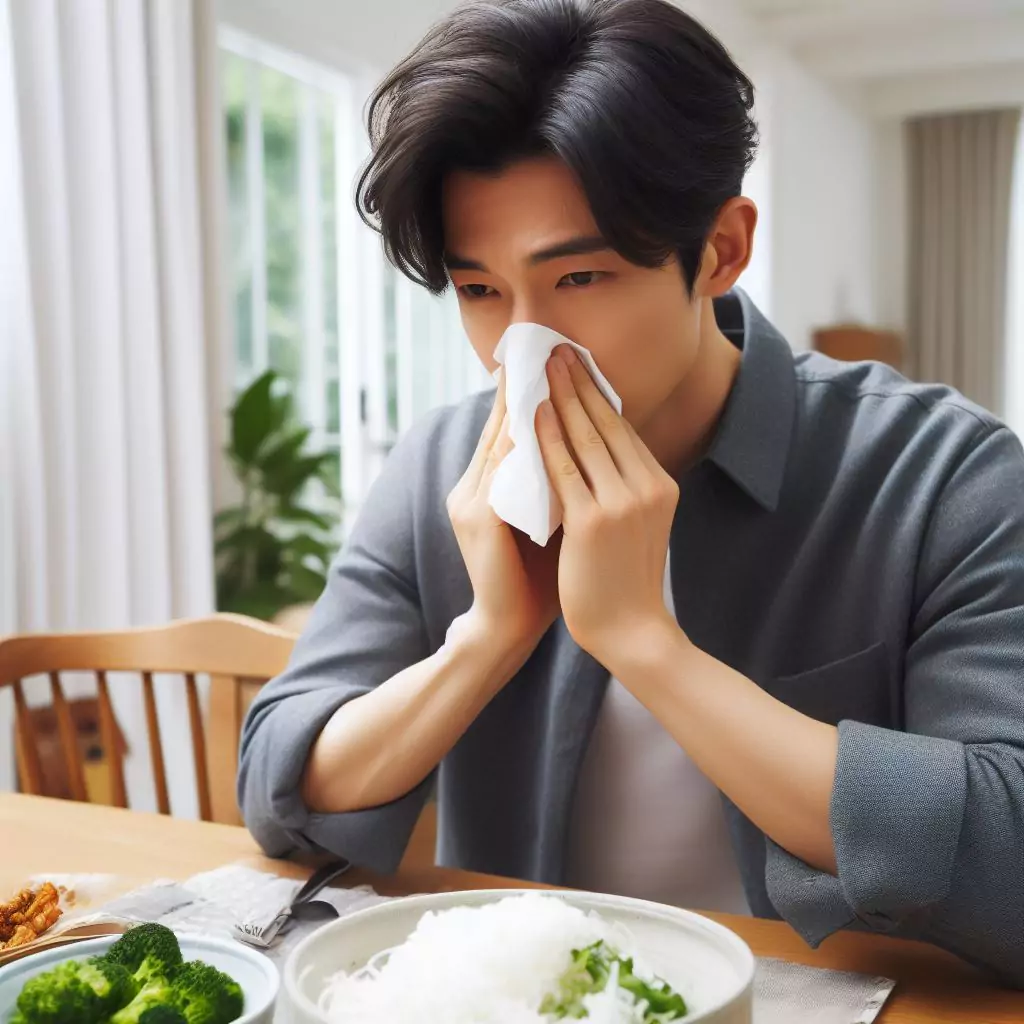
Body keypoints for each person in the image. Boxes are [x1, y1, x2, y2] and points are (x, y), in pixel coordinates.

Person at [238, 0, 1024, 984]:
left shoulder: (942, 473)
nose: (522, 347)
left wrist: (646, 645)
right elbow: (280, 776)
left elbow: (1009, 856)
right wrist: (483, 640)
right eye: (480, 290)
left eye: (579, 278)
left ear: (721, 250)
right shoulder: (442, 467)